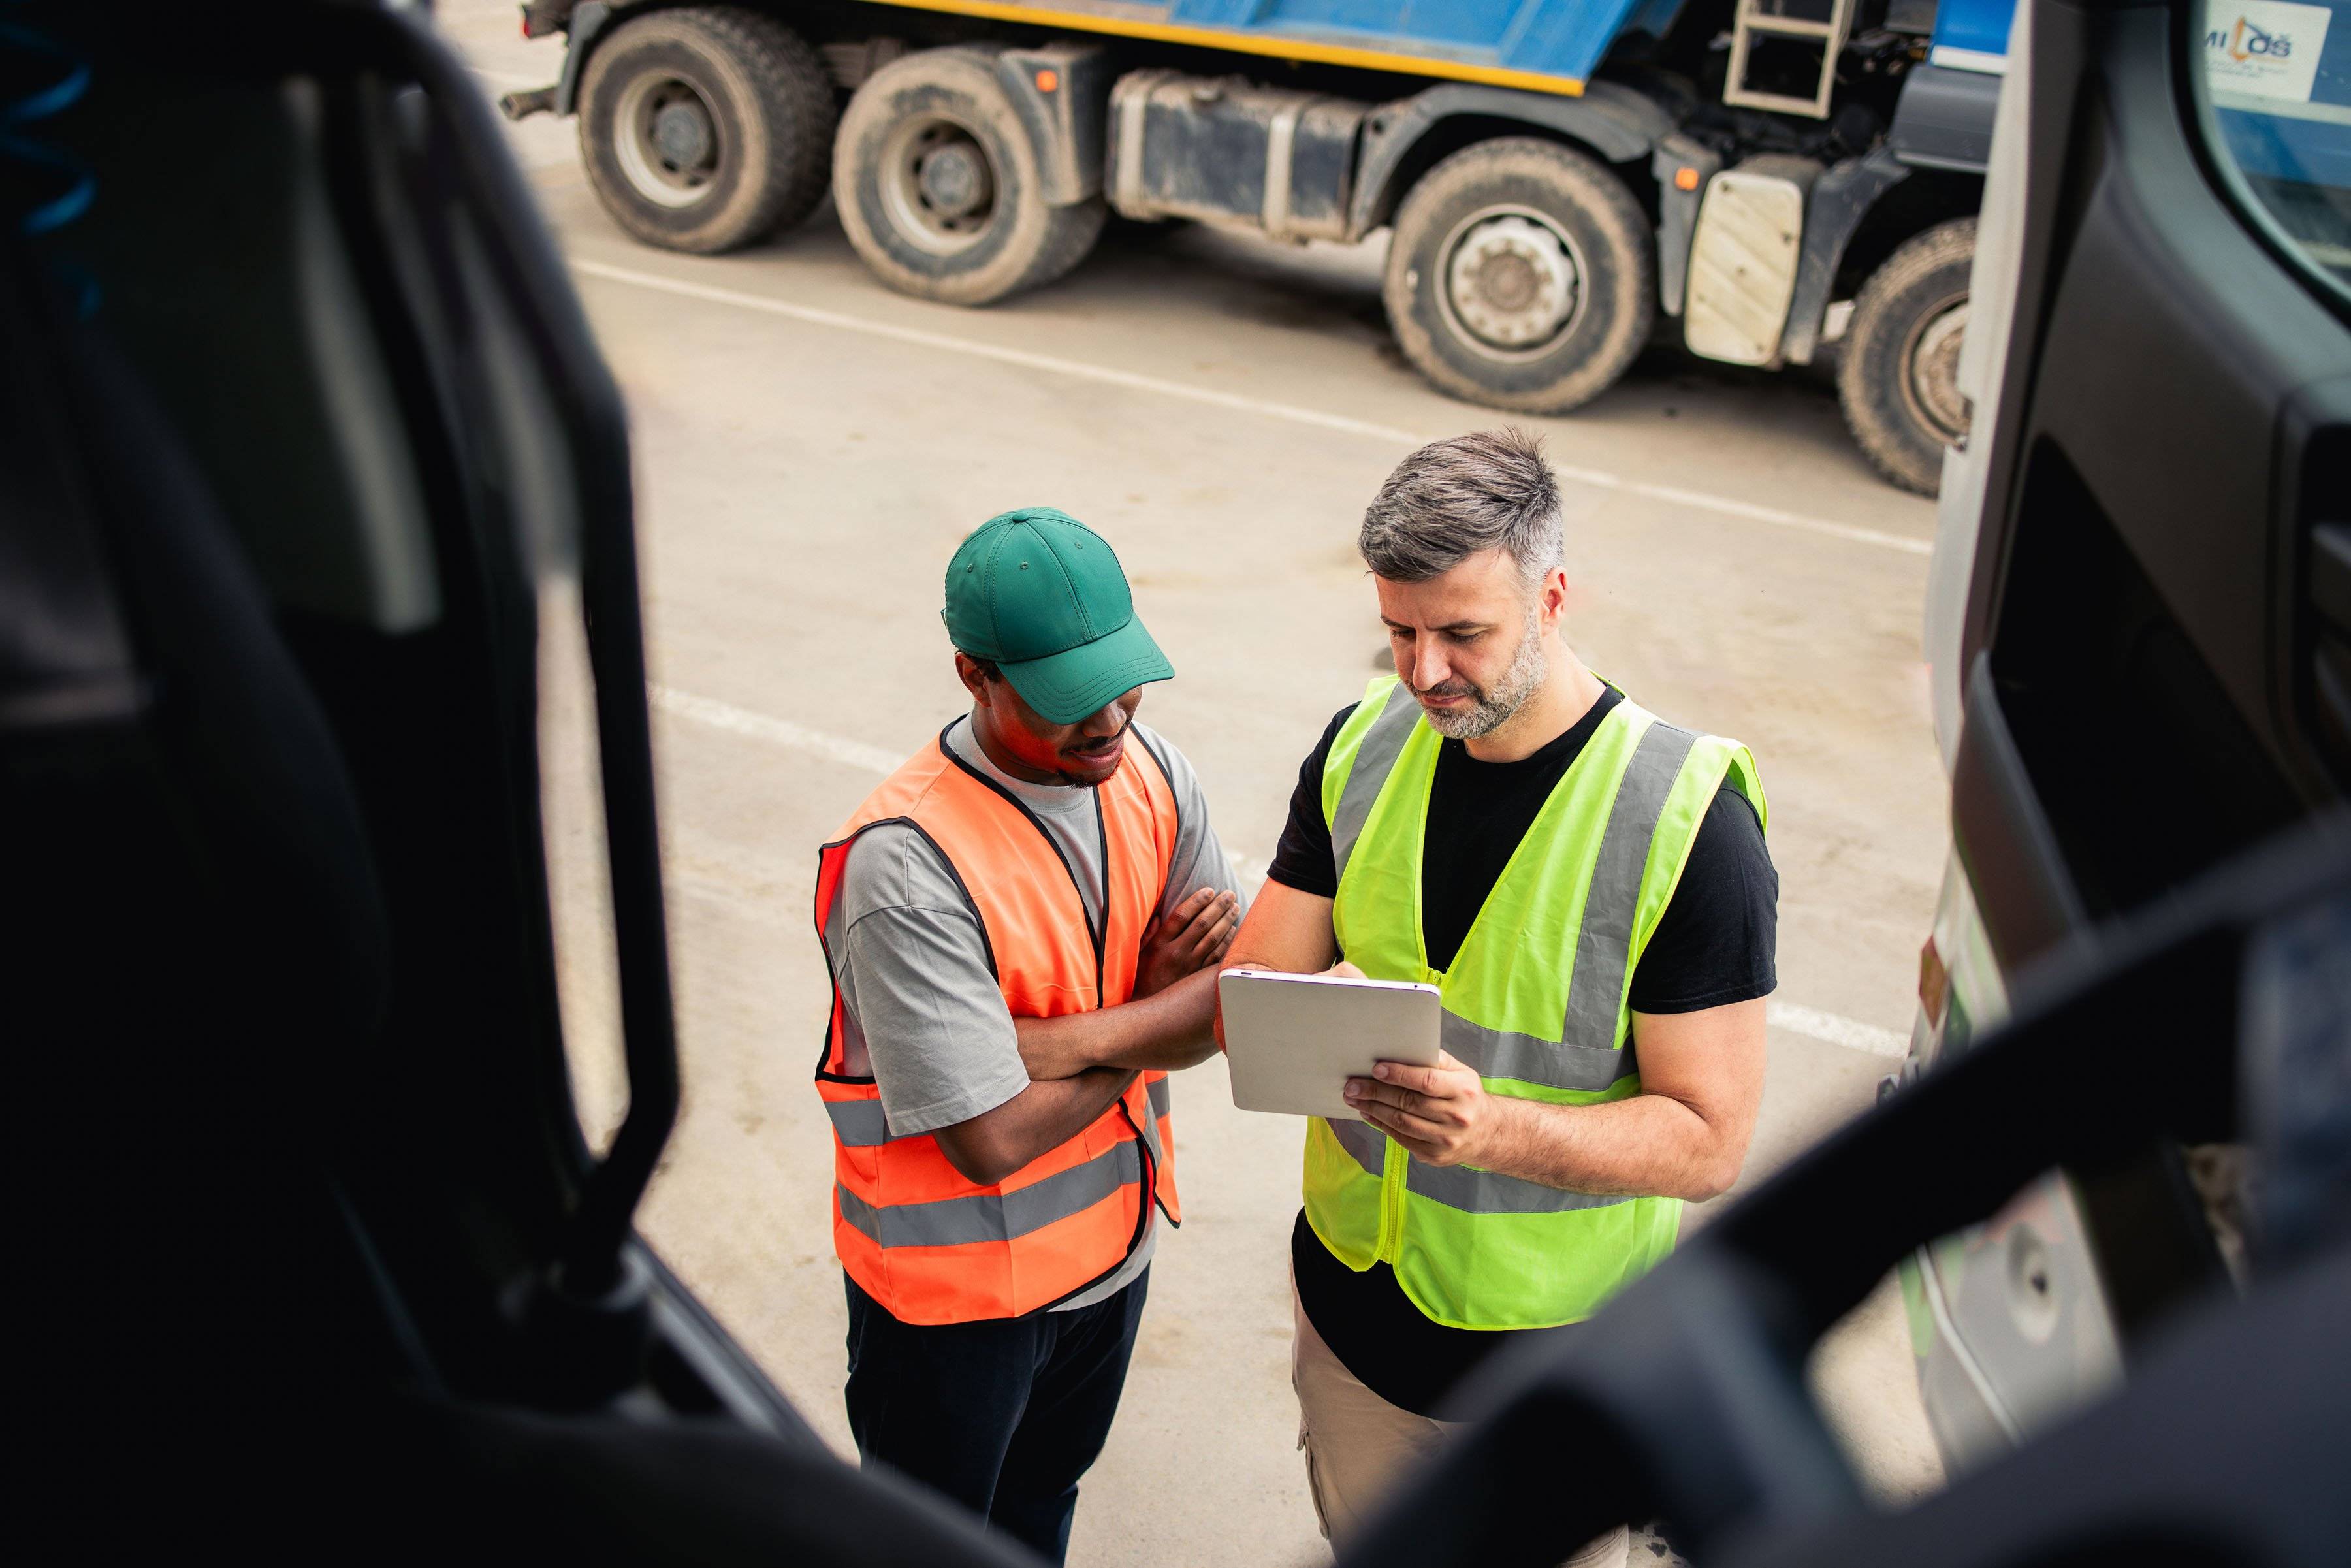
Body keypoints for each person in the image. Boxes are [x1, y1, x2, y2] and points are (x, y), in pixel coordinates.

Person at [1223, 430, 1777, 1563]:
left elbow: (1711, 1142)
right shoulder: (1363, 746)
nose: (1424, 671)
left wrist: (1494, 1130)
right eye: (1399, 630)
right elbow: (1259, 982)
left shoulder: (1686, 818)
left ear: (1552, 594)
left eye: (1463, 632)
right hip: (1354, 1344)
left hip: (1557, 1384)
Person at [812, 506, 1244, 1565]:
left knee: (1041, 1514)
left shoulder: (1150, 771)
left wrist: (1047, 1043)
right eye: (1065, 698)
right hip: (955, 1311)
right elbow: (989, 1139)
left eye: (1120, 680)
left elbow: (1228, 999)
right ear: (974, 672)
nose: (1107, 719)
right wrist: (1154, 1008)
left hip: (1112, 1261)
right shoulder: (906, 864)